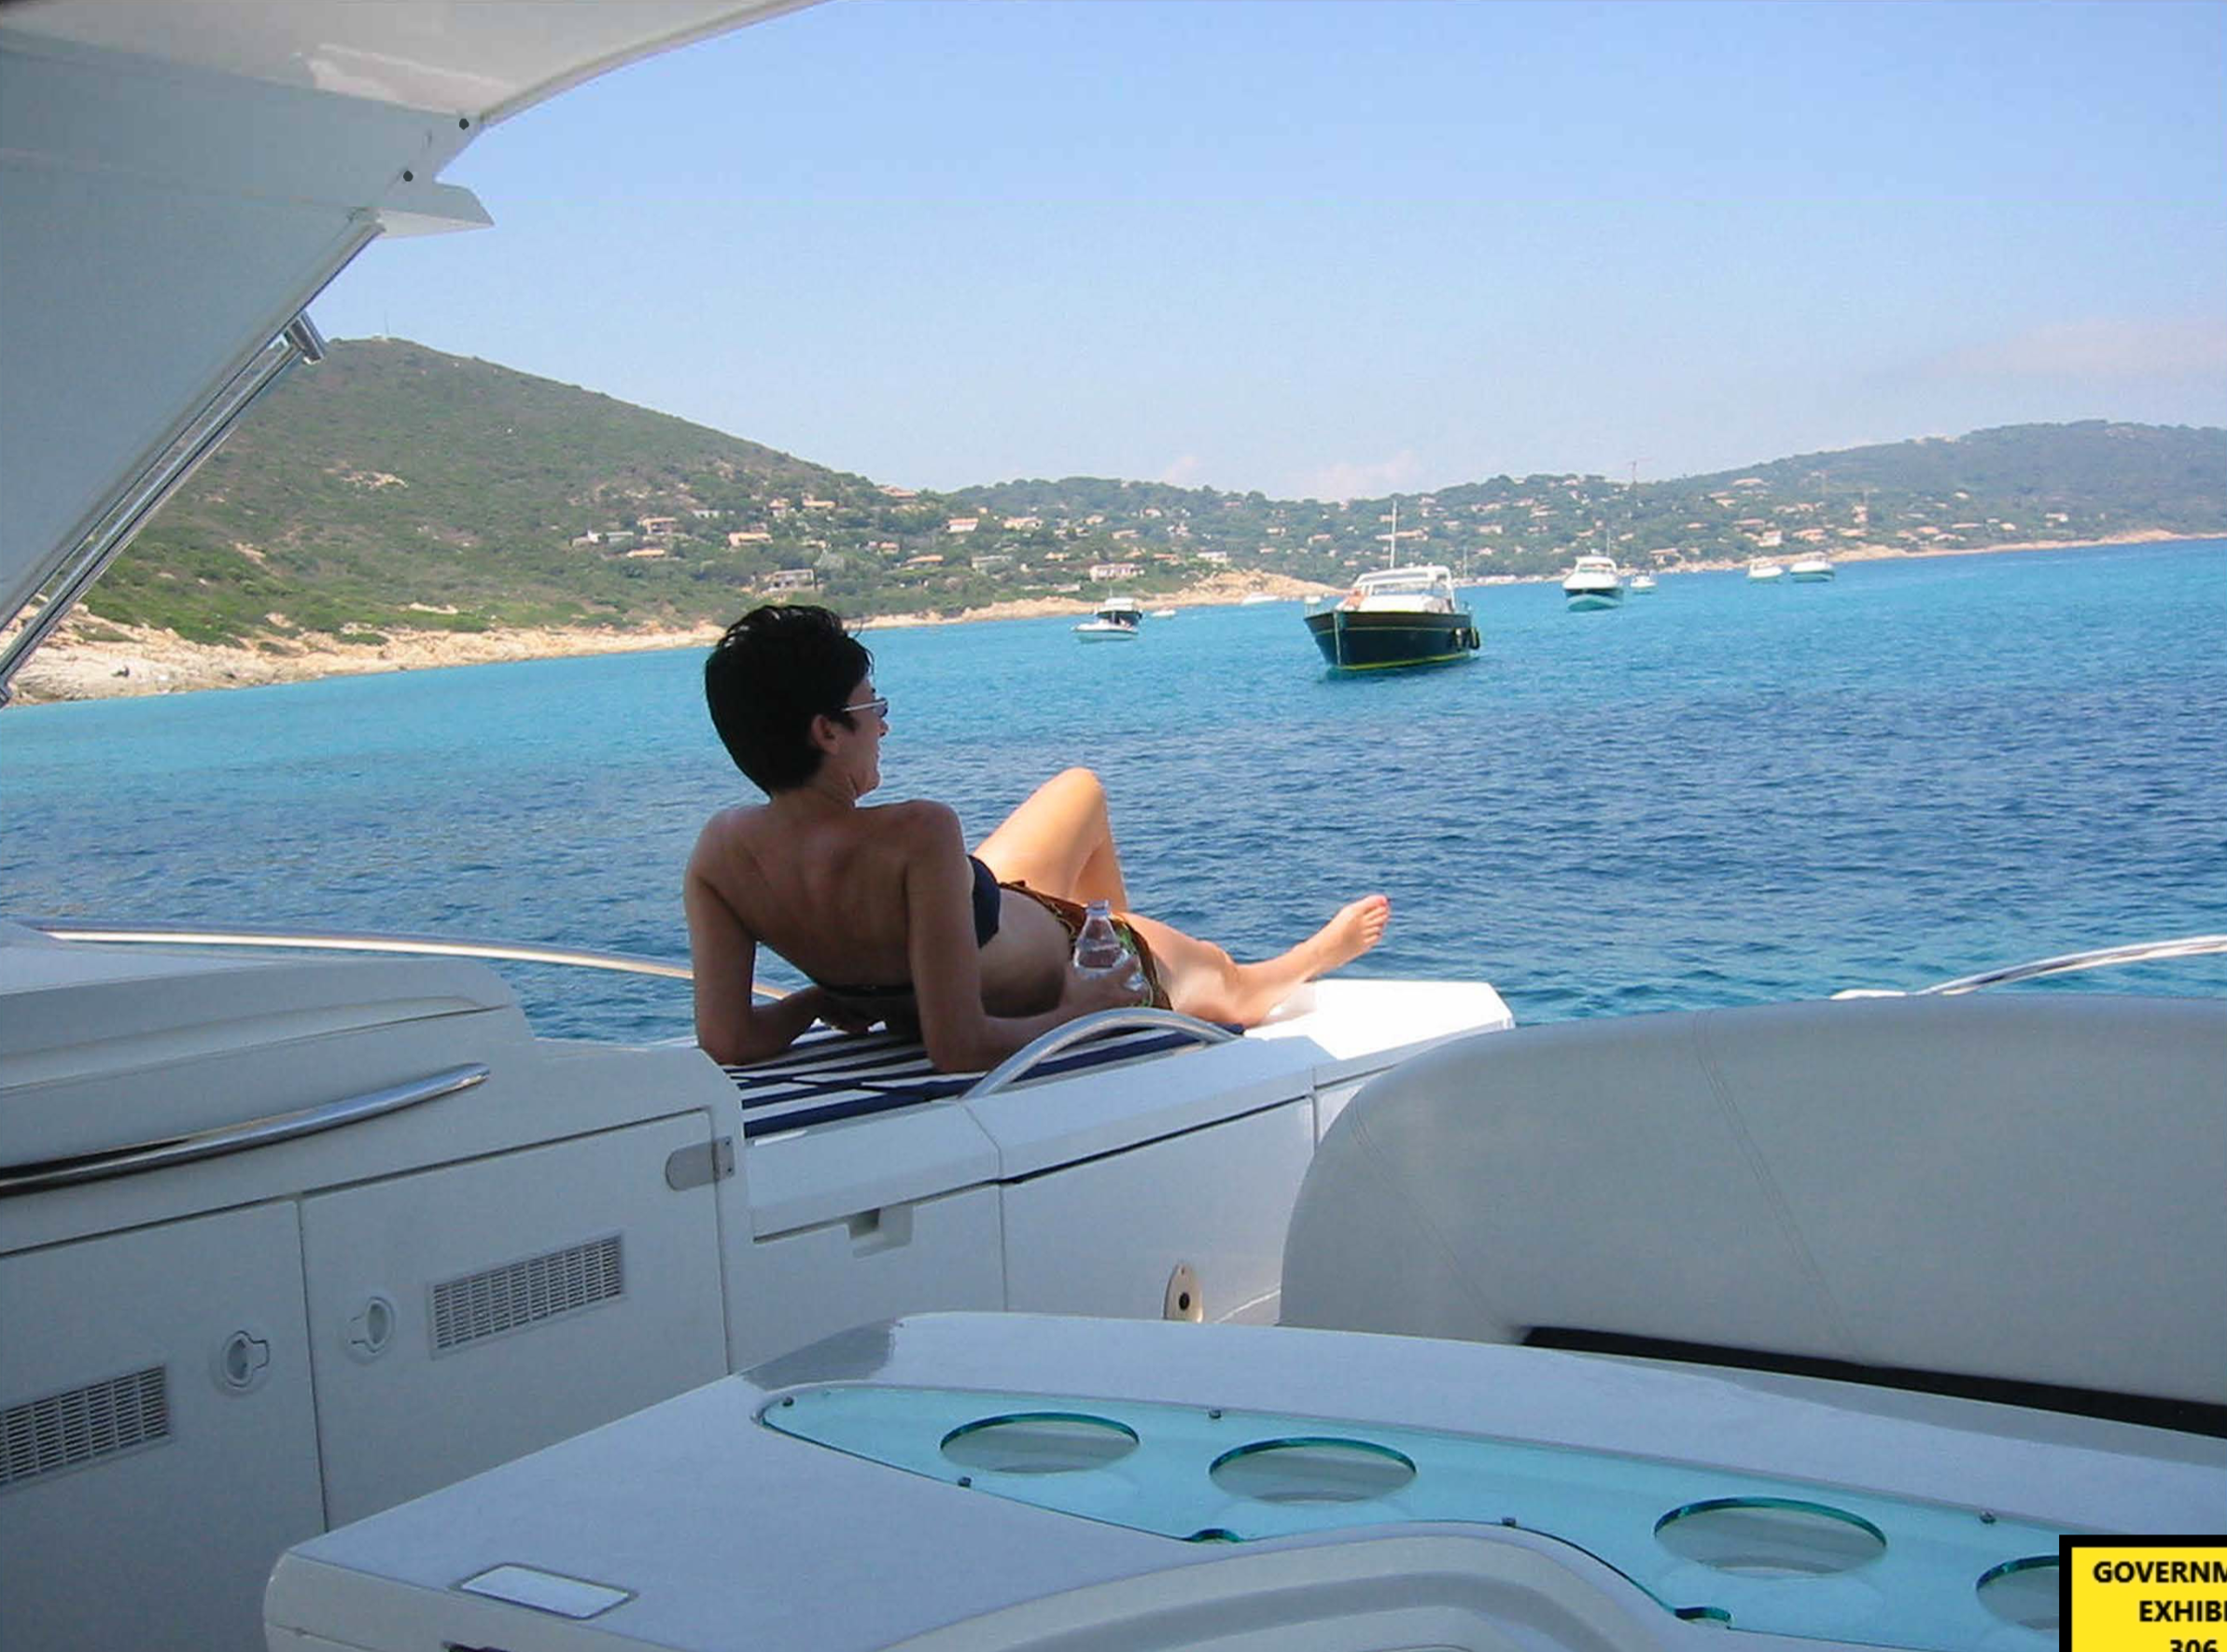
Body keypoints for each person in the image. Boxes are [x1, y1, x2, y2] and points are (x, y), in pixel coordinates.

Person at [686, 604, 1391, 1071]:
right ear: (827, 731)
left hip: (992, 920)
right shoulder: (915, 833)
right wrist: (1079, 1010)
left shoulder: (720, 855)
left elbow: (727, 1039)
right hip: (1037, 969)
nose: (885, 726)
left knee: (1080, 790)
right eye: (874, 707)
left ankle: (1106, 929)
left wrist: (818, 1000)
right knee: (1231, 984)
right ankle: (1298, 956)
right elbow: (958, 1047)